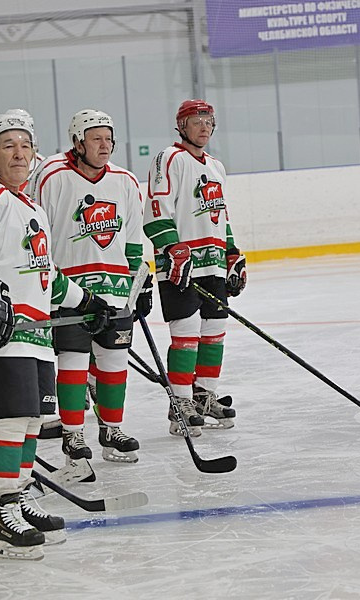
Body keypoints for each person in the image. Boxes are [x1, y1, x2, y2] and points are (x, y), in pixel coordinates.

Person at [0, 111, 115, 560]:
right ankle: (2, 512)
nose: (19, 153)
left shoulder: (31, 207)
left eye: (25, 145)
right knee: (9, 417)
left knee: (32, 420)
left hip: (35, 331)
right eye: (8, 145)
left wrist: (87, 302)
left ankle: (19, 495)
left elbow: (47, 276)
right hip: (3, 328)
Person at [33, 109, 147, 464]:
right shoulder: (52, 176)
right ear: (78, 142)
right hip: (71, 292)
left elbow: (132, 241)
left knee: (114, 364)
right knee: (73, 364)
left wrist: (139, 287)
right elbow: (38, 234)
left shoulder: (125, 181)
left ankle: (112, 430)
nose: (105, 145)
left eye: (109, 138)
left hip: (115, 291)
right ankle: (73, 435)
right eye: (96, 138)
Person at [143, 99, 245, 435]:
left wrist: (231, 253)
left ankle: (203, 396)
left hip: (212, 265)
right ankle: (180, 404)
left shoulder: (216, 166)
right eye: (196, 121)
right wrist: (172, 248)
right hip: (180, 266)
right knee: (186, 335)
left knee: (214, 332)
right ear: (181, 126)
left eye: (208, 121)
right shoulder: (169, 158)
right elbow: (156, 210)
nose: (204, 127)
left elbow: (221, 217)